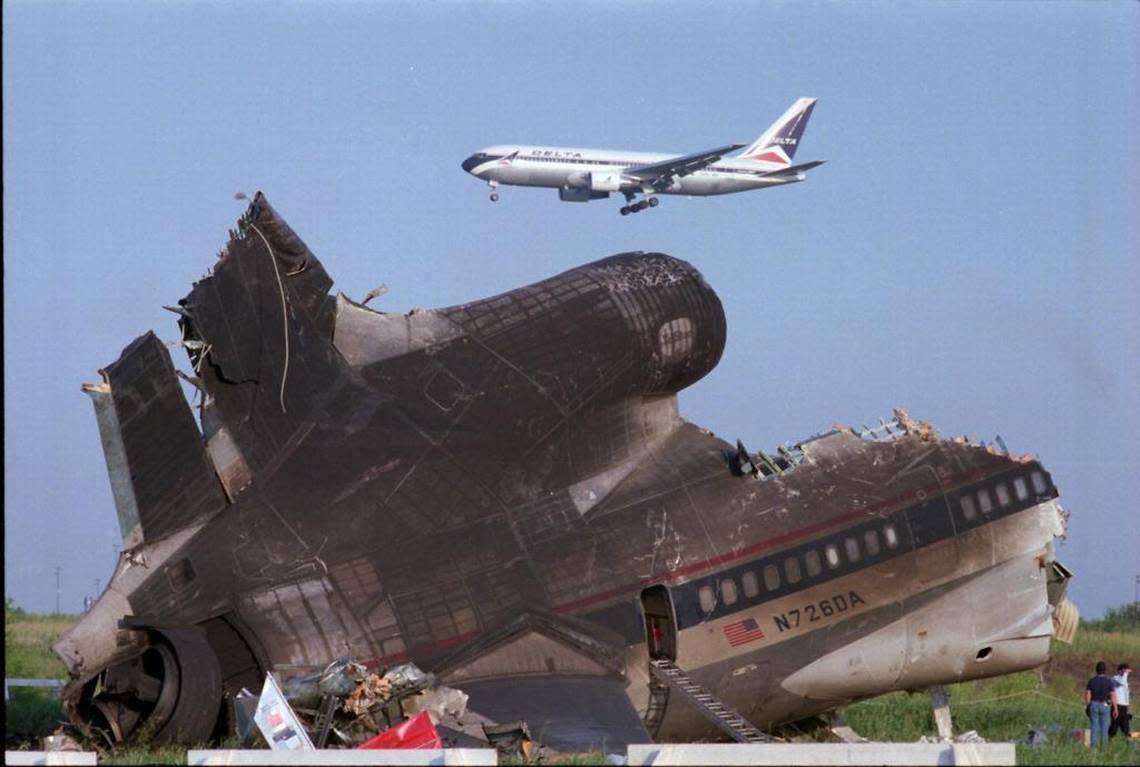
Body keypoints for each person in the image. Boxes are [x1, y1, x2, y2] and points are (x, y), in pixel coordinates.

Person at [1085, 660, 1118, 746]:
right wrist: (1115, 708)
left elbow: (1088, 695)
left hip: (1094, 704)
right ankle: (1104, 748)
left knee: (1094, 727)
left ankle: (1094, 748)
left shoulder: (1092, 681)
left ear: (1096, 670)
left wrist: (1088, 706)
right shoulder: (1109, 681)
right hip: (1105, 705)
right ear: (1105, 670)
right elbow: (1113, 696)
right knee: (1104, 728)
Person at [1109, 662, 1132, 739]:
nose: (1124, 673)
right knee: (1114, 727)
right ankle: (1108, 742)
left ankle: (1128, 745)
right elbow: (1122, 682)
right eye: (1123, 671)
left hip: (1124, 707)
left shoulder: (1125, 681)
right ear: (1119, 671)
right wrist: (1125, 673)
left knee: (1126, 728)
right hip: (1117, 706)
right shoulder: (1115, 678)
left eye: (1125, 671)